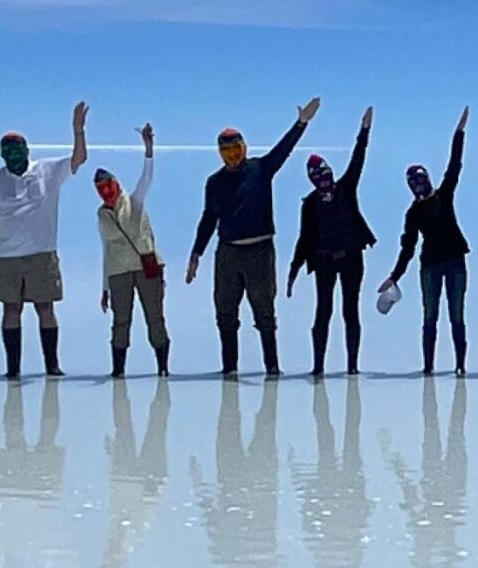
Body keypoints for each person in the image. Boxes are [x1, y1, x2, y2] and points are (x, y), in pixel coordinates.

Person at [188, 97, 318, 377]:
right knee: (225, 313)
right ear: (220, 154)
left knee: (264, 313)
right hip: (227, 253)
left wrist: (302, 122)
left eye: (236, 149)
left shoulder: (260, 169)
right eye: (227, 152)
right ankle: (229, 369)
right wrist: (196, 253)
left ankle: (272, 368)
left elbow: (284, 150)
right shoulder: (214, 182)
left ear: (244, 148)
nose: (233, 155)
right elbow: (208, 218)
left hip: (259, 251)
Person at [0, 103, 89, 381]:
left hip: (42, 254)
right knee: (11, 309)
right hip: (6, 257)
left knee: (45, 308)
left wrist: (78, 130)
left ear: (27, 150)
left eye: (17, 147)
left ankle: (52, 366)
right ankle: (13, 369)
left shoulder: (47, 171)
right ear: (1, 154)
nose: (13, 153)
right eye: (7, 149)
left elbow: (78, 159)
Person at [380, 107, 469, 374]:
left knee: (456, 315)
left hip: (455, 261)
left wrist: (459, 132)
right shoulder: (413, 214)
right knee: (430, 316)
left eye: (422, 180)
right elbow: (407, 249)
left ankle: (460, 366)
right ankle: (428, 367)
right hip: (430, 266)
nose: (420, 185)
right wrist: (394, 277)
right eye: (415, 183)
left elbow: (455, 165)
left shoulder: (445, 195)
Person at [289, 105, 378, 376]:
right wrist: (293, 271)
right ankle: (318, 367)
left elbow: (357, 160)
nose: (323, 179)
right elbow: (304, 239)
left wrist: (364, 130)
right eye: (317, 177)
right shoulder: (310, 204)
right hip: (324, 260)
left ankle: (352, 366)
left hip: (351, 257)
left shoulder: (346, 187)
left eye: (324, 173)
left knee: (350, 310)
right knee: (323, 311)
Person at [95, 123, 171, 378]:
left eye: (108, 184)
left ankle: (163, 367)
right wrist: (104, 287)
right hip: (118, 271)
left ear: (115, 183)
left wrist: (149, 148)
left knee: (155, 317)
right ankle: (118, 370)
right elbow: (105, 249)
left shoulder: (134, 200)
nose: (106, 190)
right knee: (120, 321)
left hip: (145, 266)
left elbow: (147, 177)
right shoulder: (102, 215)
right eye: (100, 187)